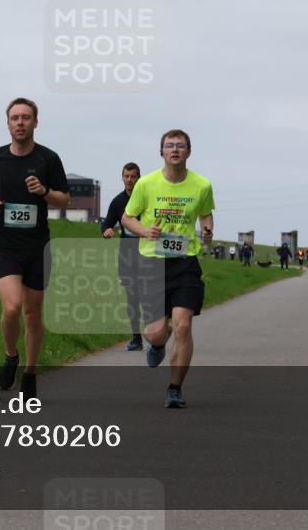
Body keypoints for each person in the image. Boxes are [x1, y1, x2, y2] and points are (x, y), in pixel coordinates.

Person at [0, 98, 69, 399]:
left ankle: (29, 372)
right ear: (7, 124)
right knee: (12, 306)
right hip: (4, 245)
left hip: (37, 247)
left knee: (32, 313)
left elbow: (63, 200)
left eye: (26, 117)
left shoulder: (48, 159)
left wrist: (43, 192)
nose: (20, 122)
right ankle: (10, 355)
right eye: (15, 118)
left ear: (35, 123)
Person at [121, 129, 214, 409]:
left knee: (183, 325)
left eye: (181, 146)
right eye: (169, 146)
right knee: (156, 333)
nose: (175, 150)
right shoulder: (146, 184)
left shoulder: (202, 185)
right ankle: (159, 344)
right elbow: (127, 218)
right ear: (160, 151)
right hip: (152, 263)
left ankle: (175, 387)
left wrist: (207, 232)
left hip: (185, 262)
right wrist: (144, 230)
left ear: (189, 151)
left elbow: (206, 214)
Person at [101, 162, 144, 351]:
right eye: (126, 176)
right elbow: (106, 223)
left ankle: (156, 333)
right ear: (122, 178)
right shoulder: (118, 202)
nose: (129, 180)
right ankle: (136, 337)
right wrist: (106, 230)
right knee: (132, 297)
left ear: (138, 178)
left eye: (133, 176)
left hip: (148, 252)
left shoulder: (147, 198)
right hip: (127, 253)